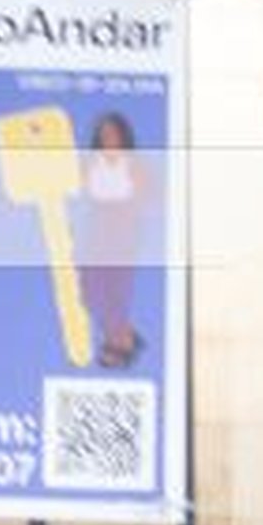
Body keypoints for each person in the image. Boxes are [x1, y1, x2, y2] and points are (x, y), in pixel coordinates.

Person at [82, 108, 149, 369]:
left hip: (123, 231)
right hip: (97, 229)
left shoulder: (134, 165)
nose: (108, 138)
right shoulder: (90, 164)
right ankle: (127, 338)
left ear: (123, 136)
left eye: (112, 133)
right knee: (89, 289)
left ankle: (118, 345)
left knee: (113, 292)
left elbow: (147, 197)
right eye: (103, 134)